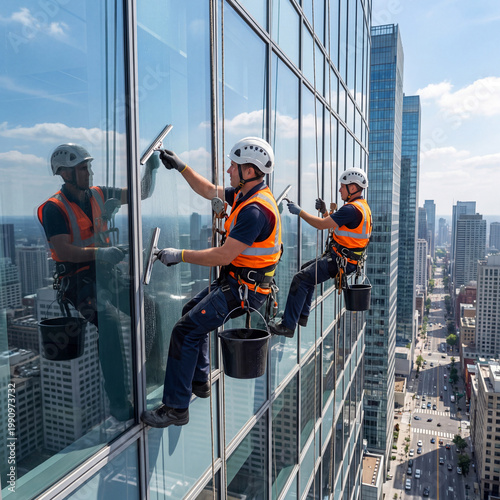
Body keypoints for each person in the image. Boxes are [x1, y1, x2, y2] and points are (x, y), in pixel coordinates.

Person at [141, 137, 282, 428]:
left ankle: (176, 408)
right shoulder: (247, 195)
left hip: (244, 291)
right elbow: (208, 190)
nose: (229, 170)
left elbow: (222, 254)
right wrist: (180, 167)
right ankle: (200, 380)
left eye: (234, 165)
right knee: (189, 315)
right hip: (238, 283)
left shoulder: (255, 210)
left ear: (250, 171)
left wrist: (178, 255)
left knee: (185, 330)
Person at [38, 143, 161, 421]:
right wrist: (102, 252)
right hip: (78, 281)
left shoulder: (99, 194)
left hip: (106, 274)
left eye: (88, 167)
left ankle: (155, 374)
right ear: (65, 174)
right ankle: (118, 402)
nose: (89, 173)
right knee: (109, 322)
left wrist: (152, 169)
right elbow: (65, 249)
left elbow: (142, 193)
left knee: (149, 308)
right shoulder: (53, 209)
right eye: (83, 168)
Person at [269, 168, 372, 338]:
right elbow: (338, 226)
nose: (340, 190)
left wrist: (299, 211)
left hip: (340, 260)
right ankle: (302, 316)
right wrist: (325, 212)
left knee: (300, 279)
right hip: (344, 259)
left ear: (353, 188)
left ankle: (287, 326)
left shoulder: (351, 209)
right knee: (305, 270)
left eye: (343, 187)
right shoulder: (362, 208)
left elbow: (322, 225)